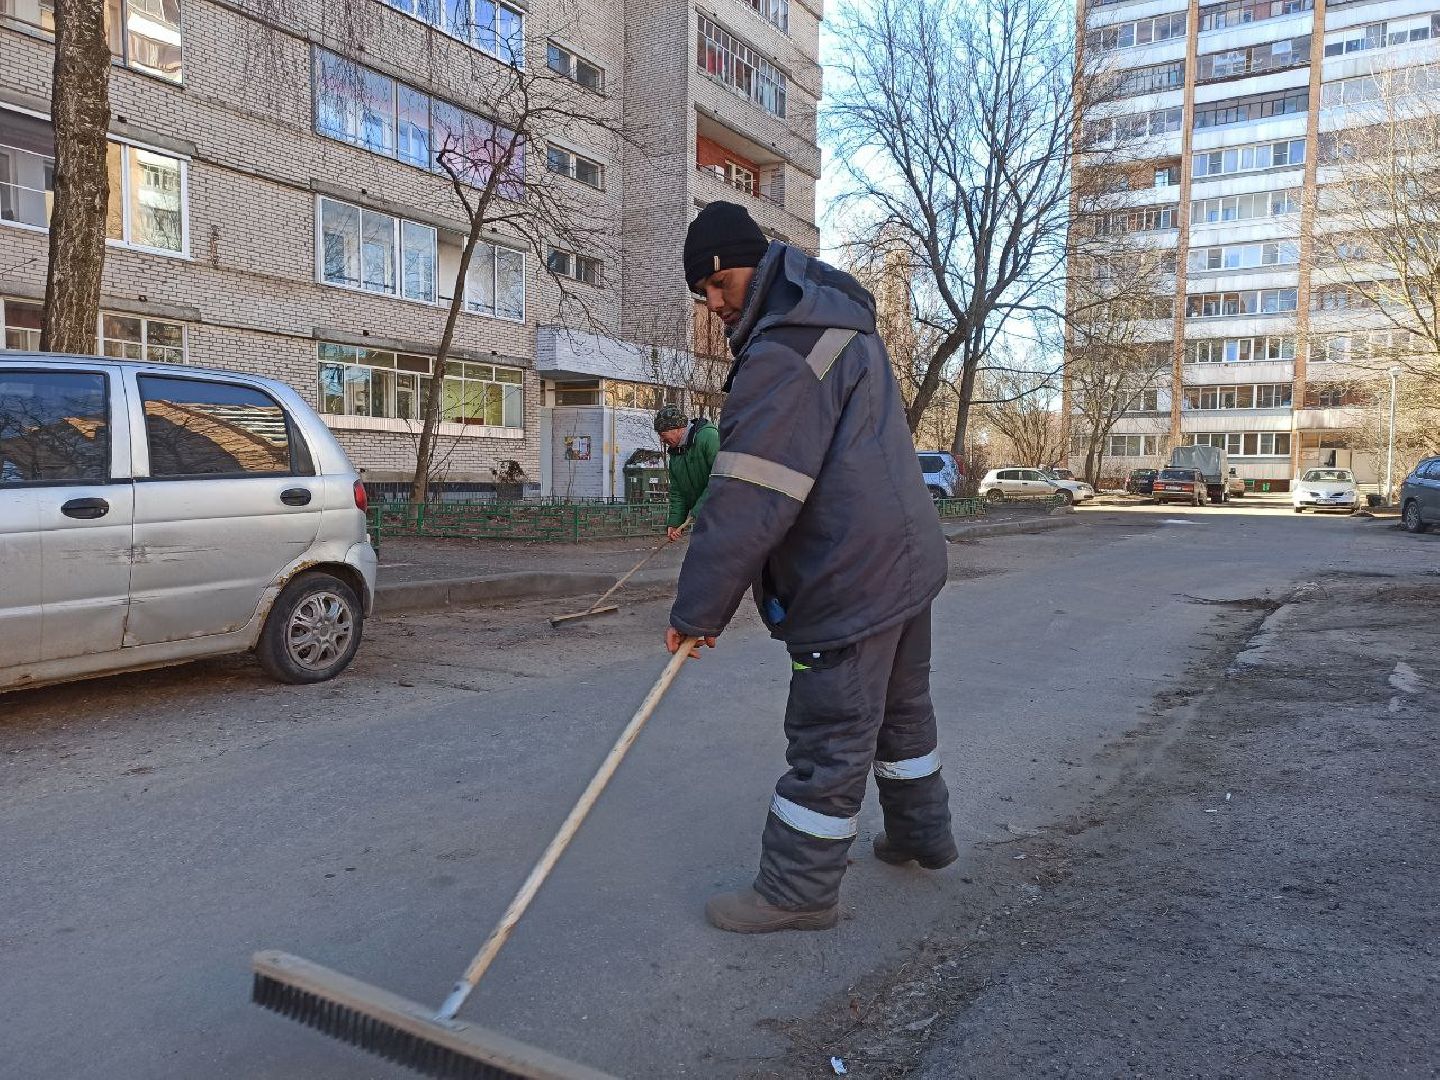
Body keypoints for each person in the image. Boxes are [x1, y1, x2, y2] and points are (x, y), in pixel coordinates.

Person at [664, 201, 956, 934]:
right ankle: (922, 836)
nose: (713, 303)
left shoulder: (785, 351)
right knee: (900, 712)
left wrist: (697, 610)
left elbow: (749, 500)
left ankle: (798, 891)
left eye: (719, 284)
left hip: (848, 575)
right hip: (904, 560)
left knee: (830, 732)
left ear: (751, 266)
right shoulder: (835, 324)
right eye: (703, 292)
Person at [654, 404, 719, 543]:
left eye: (662, 434)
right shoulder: (675, 456)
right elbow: (678, 492)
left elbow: (720, 480)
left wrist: (697, 511)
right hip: (704, 519)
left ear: (677, 429)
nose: (661, 440)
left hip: (724, 515)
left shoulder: (709, 437)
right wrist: (675, 522)